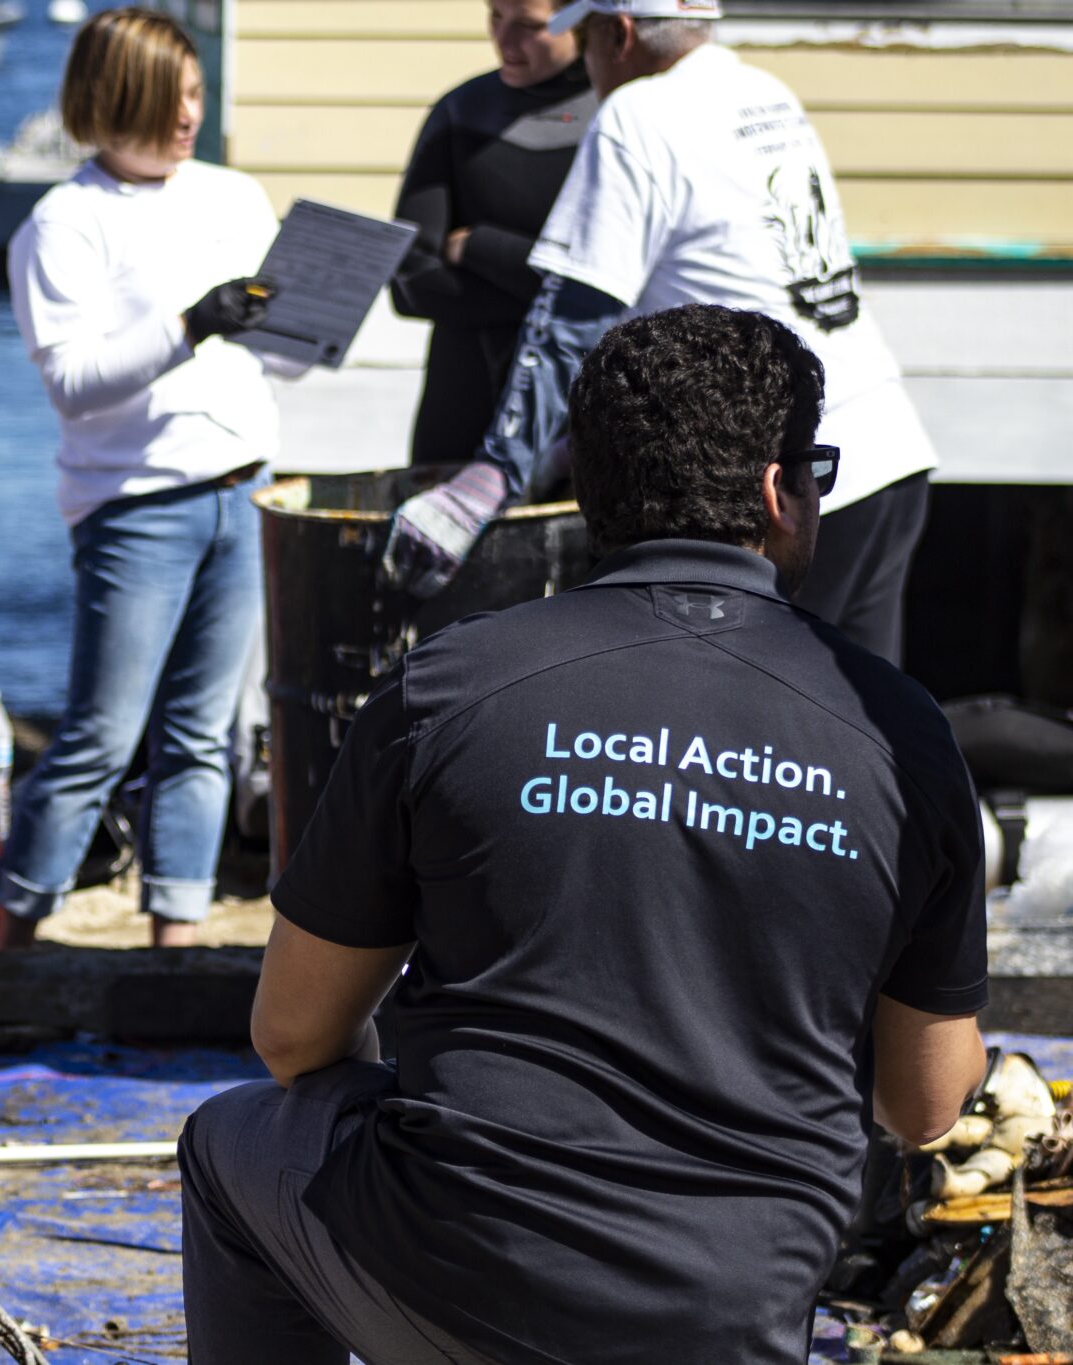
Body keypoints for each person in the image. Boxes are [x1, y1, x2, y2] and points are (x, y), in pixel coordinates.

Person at [178, 305, 988, 1365]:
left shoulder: (449, 685)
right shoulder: (898, 735)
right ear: (774, 492)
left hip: (457, 1272)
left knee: (224, 1142)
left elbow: (290, 1039)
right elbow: (922, 1105)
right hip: (728, 1313)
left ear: (587, 485)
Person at [384, 0, 938, 665]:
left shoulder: (635, 114)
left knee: (758, 726)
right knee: (865, 732)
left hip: (791, 479)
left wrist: (492, 478)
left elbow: (570, 320)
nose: (586, 64)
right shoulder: (762, 91)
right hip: (888, 446)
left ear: (617, 35)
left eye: (584, 38)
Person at [0, 6, 301, 951]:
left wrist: (312, 320)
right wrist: (190, 324)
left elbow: (279, 361)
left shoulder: (234, 196)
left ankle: (174, 940)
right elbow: (76, 387)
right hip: (135, 507)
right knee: (100, 737)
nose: (187, 118)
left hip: (246, 490)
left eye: (196, 95)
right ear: (111, 101)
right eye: (168, 101)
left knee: (204, 736)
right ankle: (10, 939)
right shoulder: (61, 223)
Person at [390, 0, 594, 466]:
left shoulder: (618, 121)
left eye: (529, 26)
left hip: (584, 409)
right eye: (496, 17)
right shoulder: (461, 112)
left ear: (581, 26)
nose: (504, 41)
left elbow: (613, 286)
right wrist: (546, 292)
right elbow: (409, 283)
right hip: (465, 404)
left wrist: (479, 246)